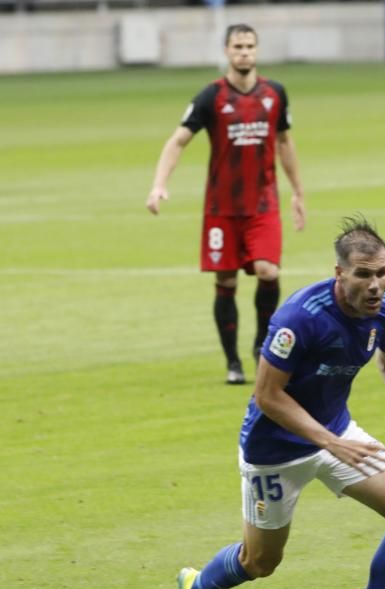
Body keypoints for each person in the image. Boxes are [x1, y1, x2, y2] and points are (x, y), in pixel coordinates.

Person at [176, 217, 385, 589]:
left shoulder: (384, 310)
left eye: (383, 272)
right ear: (339, 272)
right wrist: (329, 443)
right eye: (364, 275)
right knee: (260, 562)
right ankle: (197, 588)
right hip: (275, 450)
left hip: (337, 434)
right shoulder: (300, 317)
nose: (376, 285)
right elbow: (267, 395)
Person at [146, 23, 306, 385]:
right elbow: (178, 141)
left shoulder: (274, 94)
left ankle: (261, 347)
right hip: (221, 208)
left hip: (263, 205)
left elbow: (284, 143)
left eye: (250, 45)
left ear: (257, 50)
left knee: (268, 271)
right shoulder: (211, 97)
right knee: (226, 279)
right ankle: (233, 362)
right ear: (226, 50)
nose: (244, 51)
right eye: (238, 46)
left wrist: (297, 191)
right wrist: (159, 185)